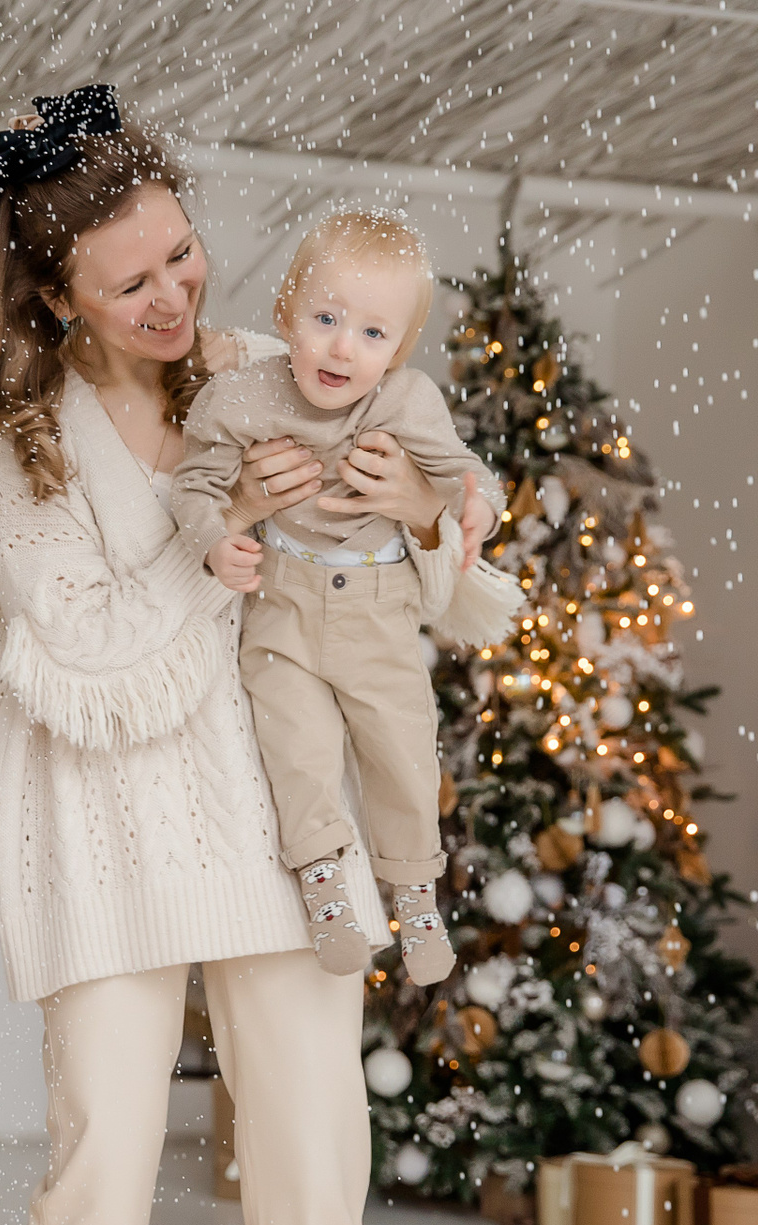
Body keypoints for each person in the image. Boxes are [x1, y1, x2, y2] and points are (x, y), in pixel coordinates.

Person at [0, 84, 482, 1225]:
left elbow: (428, 583)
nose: (173, 294)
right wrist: (219, 532)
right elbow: (80, 643)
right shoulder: (25, 439)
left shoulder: (278, 373)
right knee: (99, 1181)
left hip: (287, 830)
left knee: (315, 1180)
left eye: (181, 254)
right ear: (56, 297)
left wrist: (424, 512)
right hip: (104, 838)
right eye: (131, 282)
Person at [172, 209, 517, 984]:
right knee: (296, 748)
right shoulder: (239, 399)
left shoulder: (406, 402)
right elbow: (195, 486)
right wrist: (214, 539)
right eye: (325, 319)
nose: (342, 347)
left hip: (377, 609)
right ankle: (324, 885)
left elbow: (463, 472)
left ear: (399, 349)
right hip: (283, 604)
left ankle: (416, 895)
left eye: (372, 333)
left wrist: (477, 510)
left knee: (403, 749)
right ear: (284, 312)